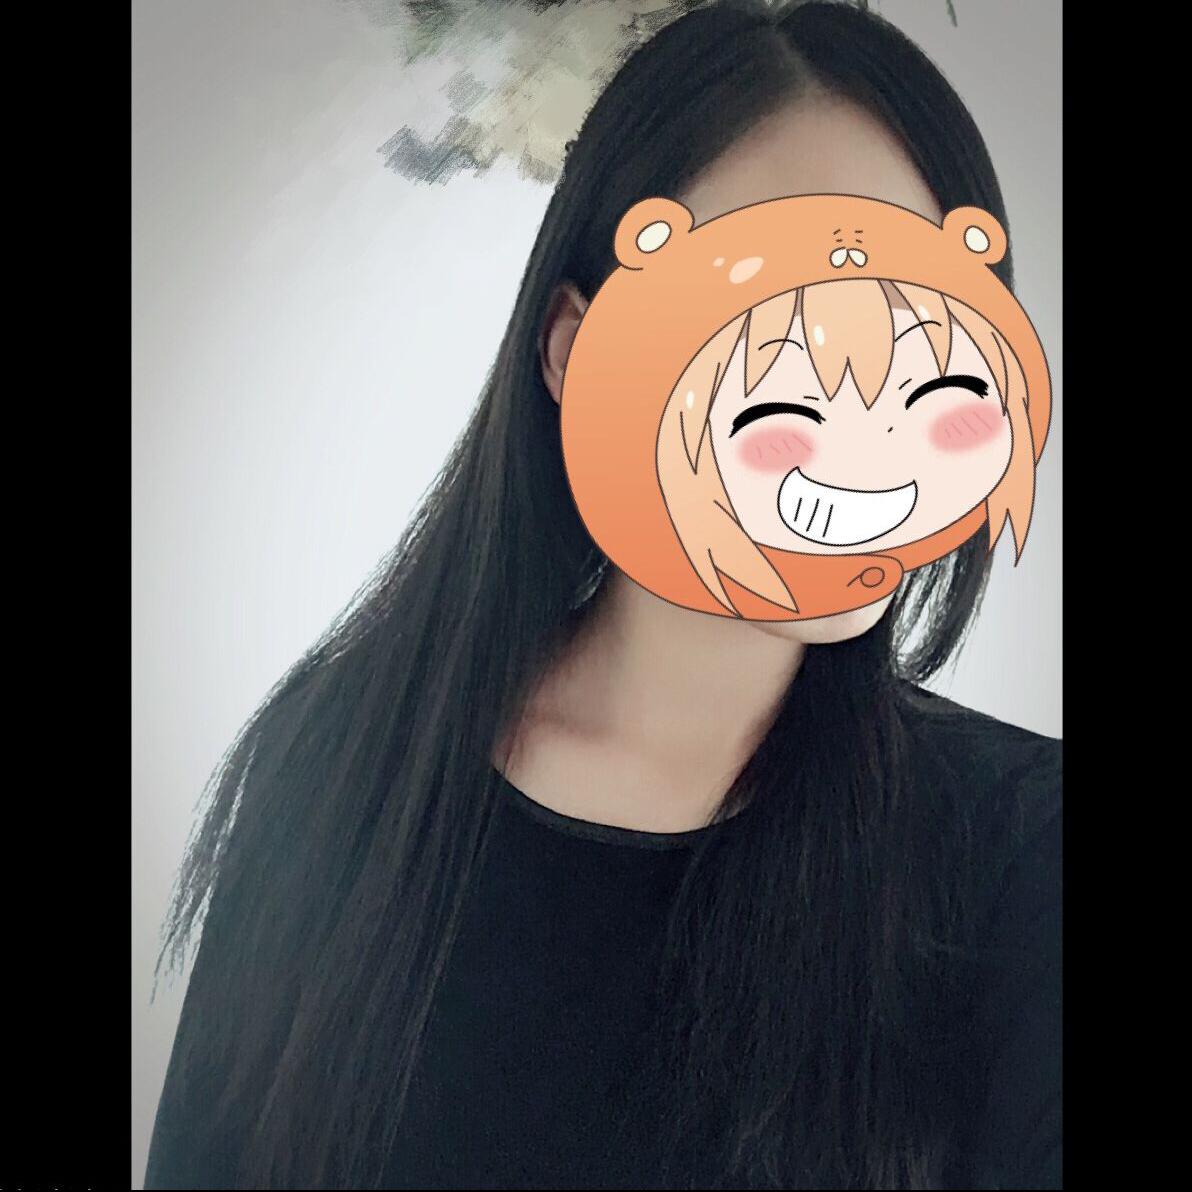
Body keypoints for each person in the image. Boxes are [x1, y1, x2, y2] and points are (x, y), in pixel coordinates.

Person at [143, 1, 1062, 1188]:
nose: (868, 441)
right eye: (772, 334)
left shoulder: (1021, 853)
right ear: (576, 350)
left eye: (928, 338)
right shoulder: (337, 769)